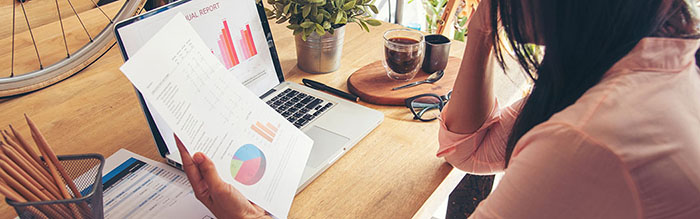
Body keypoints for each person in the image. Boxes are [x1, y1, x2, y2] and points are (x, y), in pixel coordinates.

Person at [178, 0, 700, 218]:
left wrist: (242, 214)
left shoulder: (589, 142)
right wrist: (479, 31)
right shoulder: (652, 58)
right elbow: (469, 150)